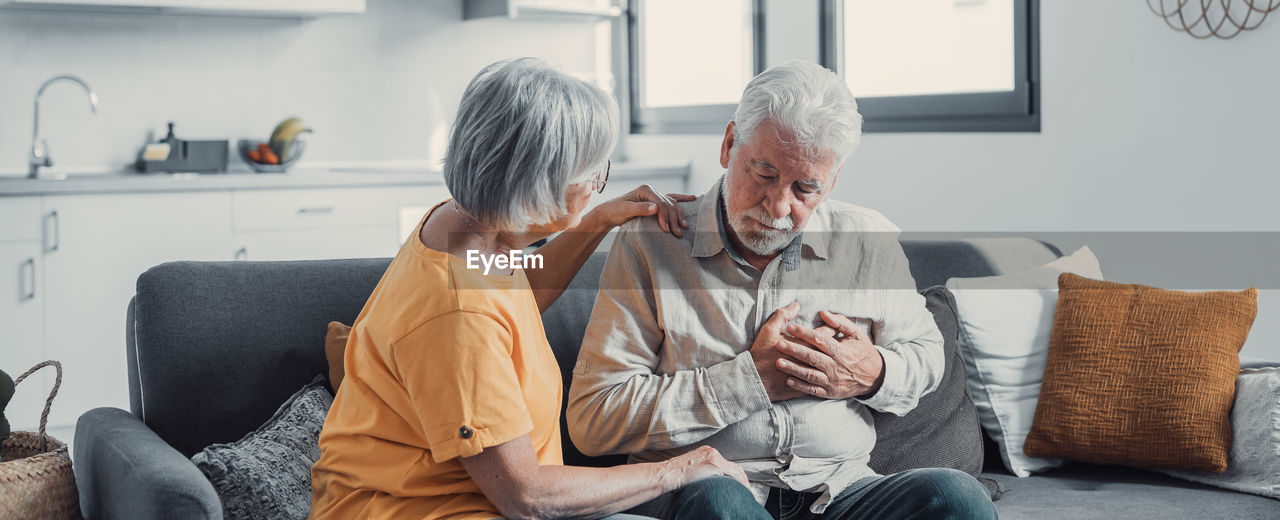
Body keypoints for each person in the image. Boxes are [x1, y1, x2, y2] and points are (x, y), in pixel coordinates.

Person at [309, 58, 770, 520]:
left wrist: (597, 219)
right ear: (538, 185)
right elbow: (527, 497)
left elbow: (512, 291)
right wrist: (681, 468)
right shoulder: (459, 317)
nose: (598, 183)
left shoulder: (460, 223)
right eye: (595, 174)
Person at [567, 61, 998, 520]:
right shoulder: (651, 244)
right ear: (729, 144)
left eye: (805, 188)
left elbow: (928, 355)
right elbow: (593, 419)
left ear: (832, 181)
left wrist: (873, 373)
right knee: (720, 502)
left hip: (840, 489)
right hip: (713, 487)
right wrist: (747, 382)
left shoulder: (867, 239)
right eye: (764, 174)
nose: (778, 207)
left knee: (958, 497)